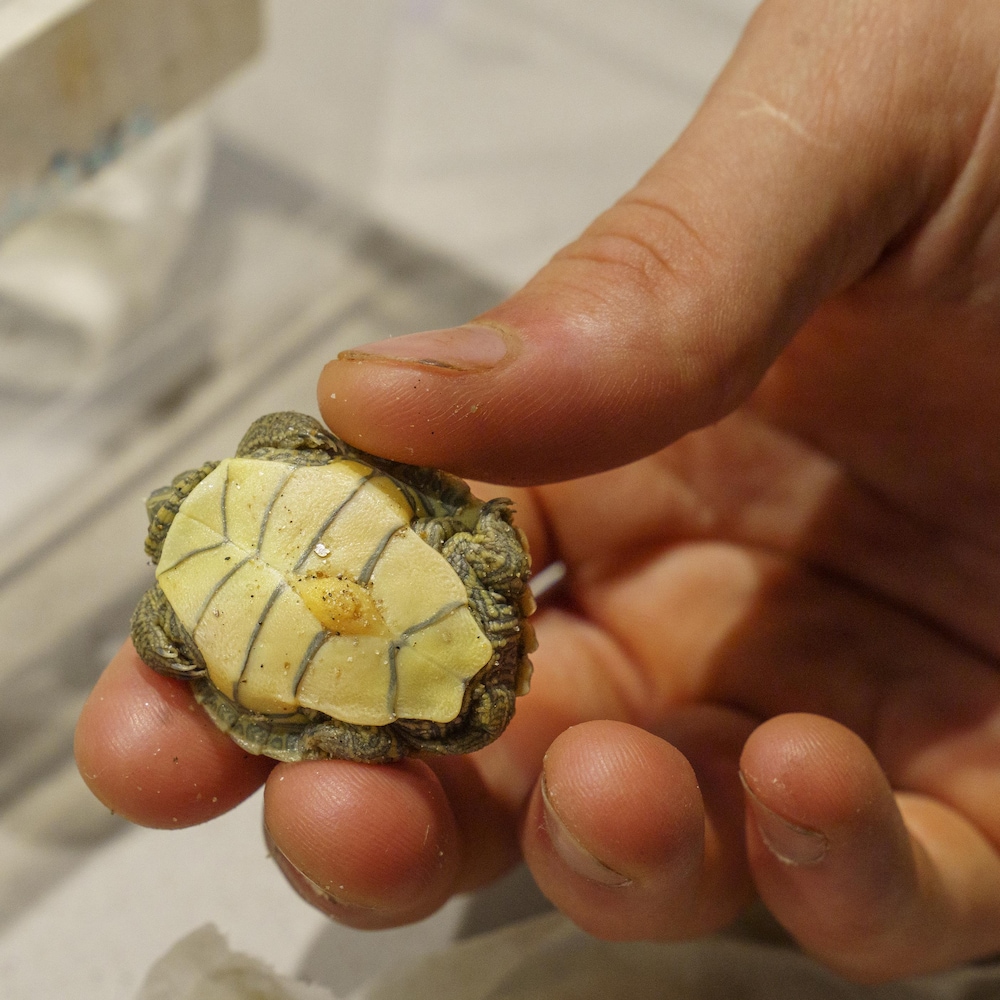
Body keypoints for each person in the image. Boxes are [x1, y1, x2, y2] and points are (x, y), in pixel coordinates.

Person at [75, 0, 1000, 983]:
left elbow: (344, 520)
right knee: (402, 798)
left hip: (341, 613)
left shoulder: (265, 509)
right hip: (333, 606)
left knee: (421, 791)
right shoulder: (226, 578)